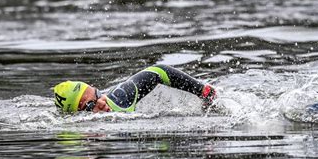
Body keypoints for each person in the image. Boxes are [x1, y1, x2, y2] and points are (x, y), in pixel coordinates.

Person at [53, 64, 217, 113]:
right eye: (90, 105)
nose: (102, 103)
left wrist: (201, 90)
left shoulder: (119, 98)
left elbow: (157, 71)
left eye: (98, 94)